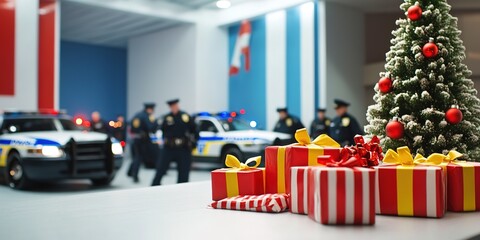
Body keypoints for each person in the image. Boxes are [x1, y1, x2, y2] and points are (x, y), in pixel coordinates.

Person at [152, 99, 198, 186]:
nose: (174, 108)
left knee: (184, 172)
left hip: (183, 148)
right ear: (170, 107)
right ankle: (154, 187)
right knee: (160, 169)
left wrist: (193, 143)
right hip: (168, 147)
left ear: (178, 105)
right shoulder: (166, 117)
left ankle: (182, 188)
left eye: (175, 106)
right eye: (172, 106)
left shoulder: (185, 116)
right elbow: (156, 128)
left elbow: (195, 130)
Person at [128, 103, 158, 183]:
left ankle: (130, 172)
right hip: (143, 140)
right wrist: (155, 122)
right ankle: (135, 175)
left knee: (136, 157)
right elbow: (151, 128)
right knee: (139, 157)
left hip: (135, 138)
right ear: (149, 109)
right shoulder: (146, 116)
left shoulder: (137, 115)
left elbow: (131, 126)